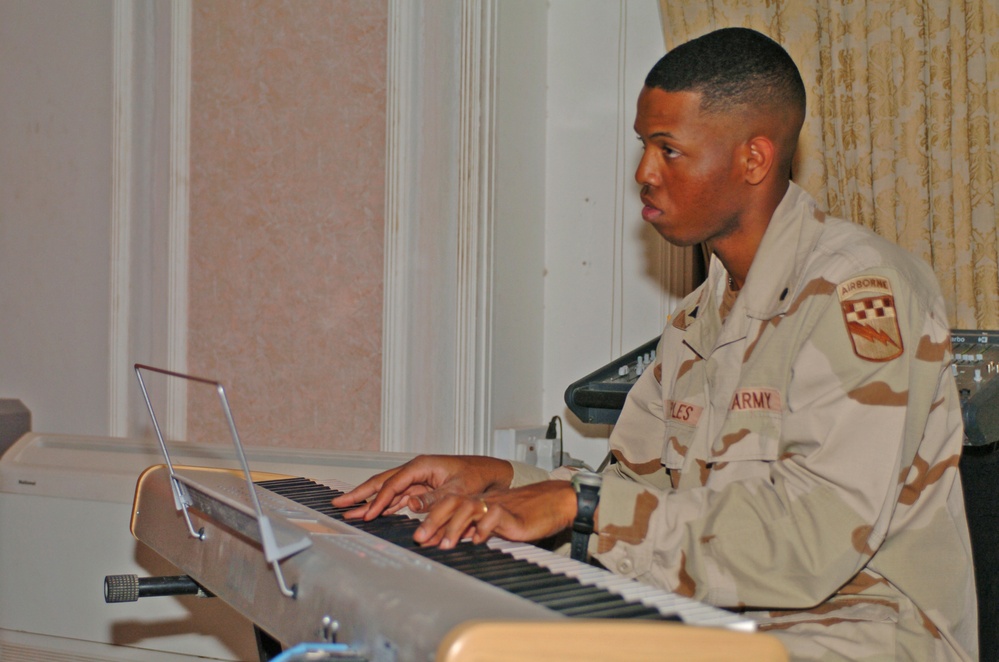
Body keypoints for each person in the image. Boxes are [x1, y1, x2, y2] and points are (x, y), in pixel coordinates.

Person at [334, 27, 977, 661]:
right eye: (644, 146)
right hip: (715, 620)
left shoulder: (859, 292)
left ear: (753, 159)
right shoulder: (700, 319)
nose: (643, 173)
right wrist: (496, 486)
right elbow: (636, 499)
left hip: (860, 633)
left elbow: (811, 544)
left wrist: (579, 505)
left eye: (669, 150)